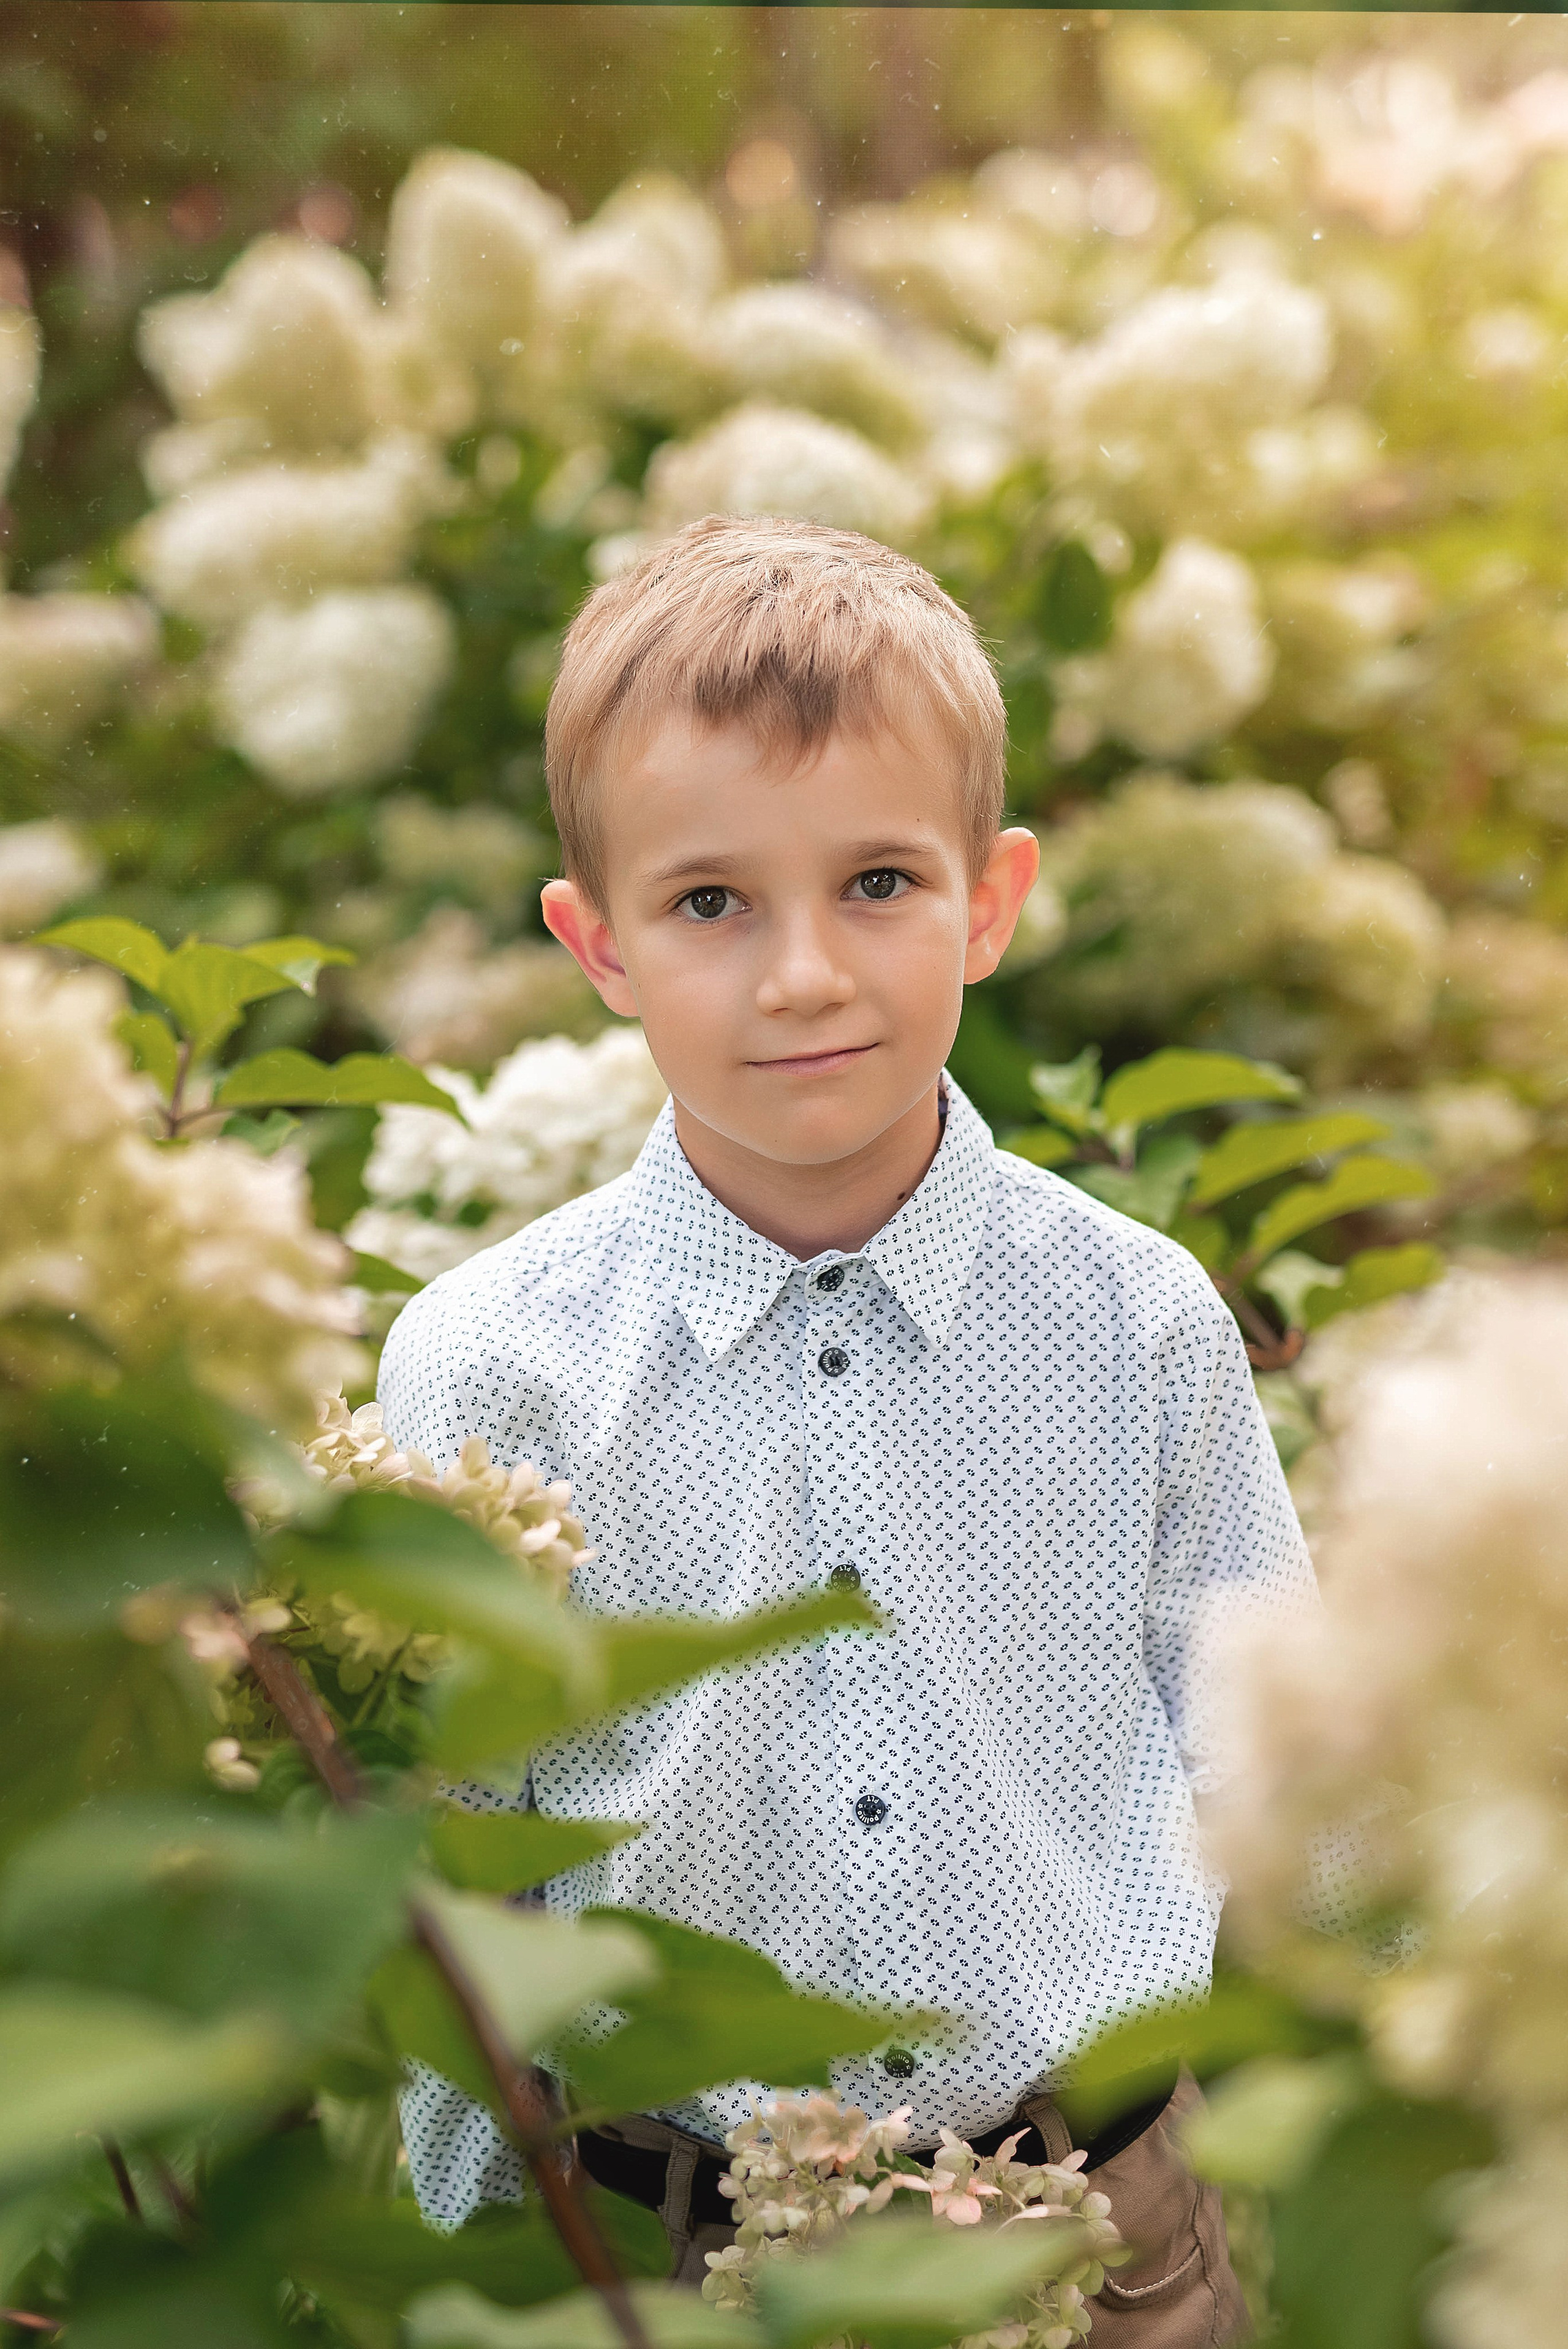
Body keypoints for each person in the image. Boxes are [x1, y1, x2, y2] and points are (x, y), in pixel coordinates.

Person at [379, 514, 1314, 2346]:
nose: (802, 972)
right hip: (669, 2260)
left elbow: (1283, 1758)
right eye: (713, 902)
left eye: (876, 883)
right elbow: (451, 1841)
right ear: (601, 942)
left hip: (1102, 2242)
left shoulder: (1136, 1325)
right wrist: (463, 2241)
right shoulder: (492, 1367)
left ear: (990, 895)